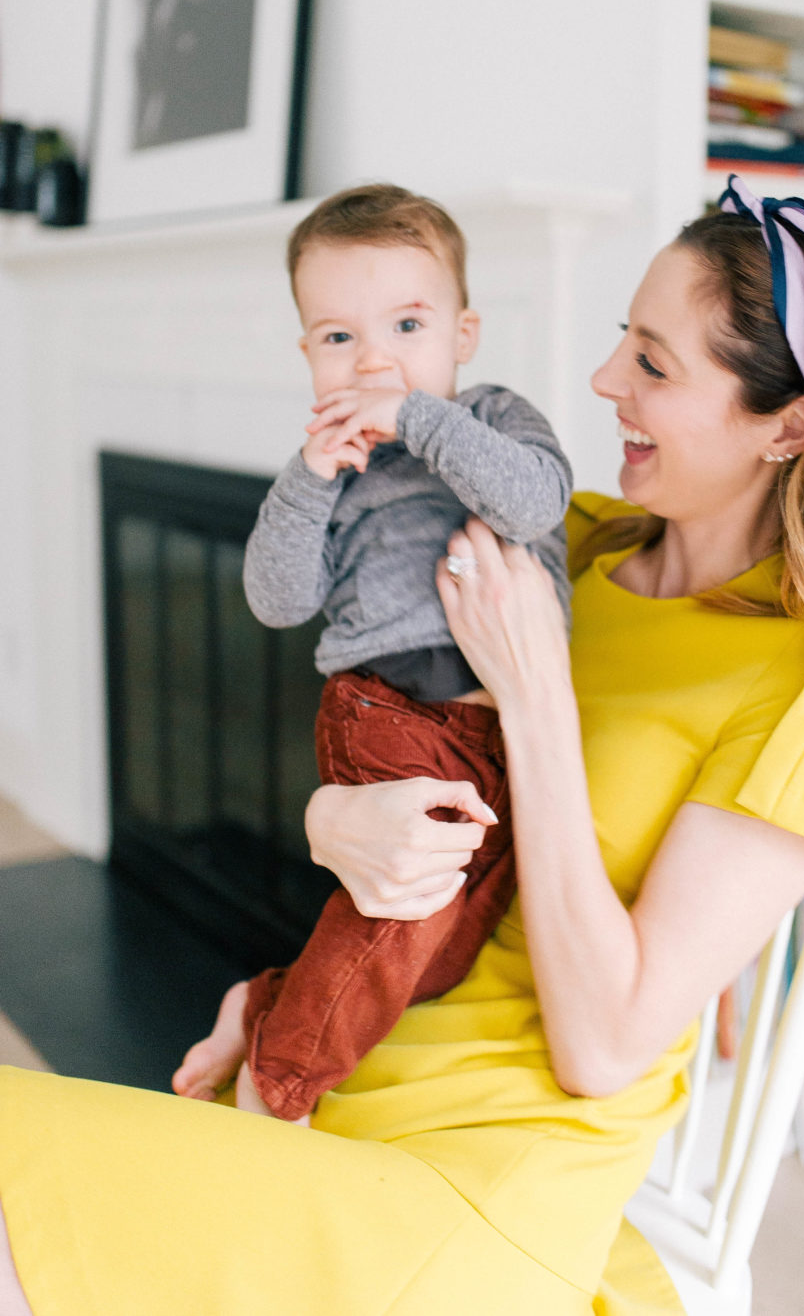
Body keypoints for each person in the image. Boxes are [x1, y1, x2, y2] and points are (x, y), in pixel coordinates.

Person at [0, 175, 804, 1316]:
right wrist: (327, 836)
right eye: (620, 338)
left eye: (652, 362)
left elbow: (603, 1048)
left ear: (788, 423)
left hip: (475, 1184)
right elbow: (384, 737)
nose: (600, 380)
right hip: (347, 1077)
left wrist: (535, 700)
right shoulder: (563, 541)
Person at [173, 183, 573, 1124]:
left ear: (463, 334)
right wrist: (311, 480)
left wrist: (421, 420)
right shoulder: (327, 461)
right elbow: (277, 601)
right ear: (309, 352)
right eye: (340, 338)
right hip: (386, 709)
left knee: (444, 946)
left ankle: (263, 1002)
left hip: (501, 729)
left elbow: (533, 505)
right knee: (406, 911)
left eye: (406, 323)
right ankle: (280, 1085)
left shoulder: (493, 416)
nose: (377, 359)